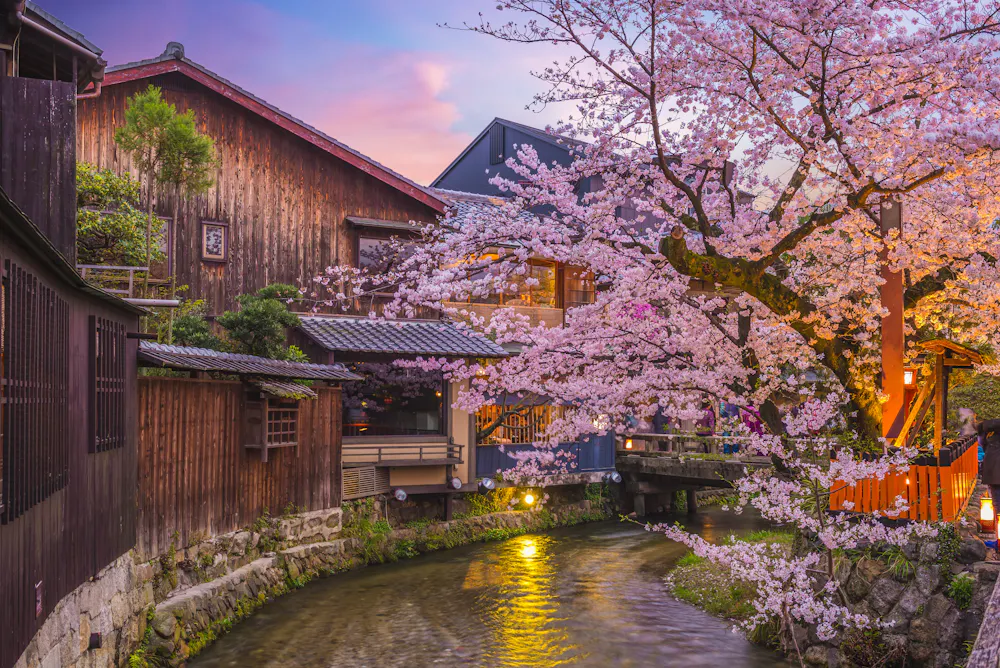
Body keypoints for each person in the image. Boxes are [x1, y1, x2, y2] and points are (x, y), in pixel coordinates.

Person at [978, 419, 1000, 503]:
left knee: (997, 501)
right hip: (993, 473)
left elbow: (982, 443)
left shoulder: (991, 441)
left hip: (993, 474)